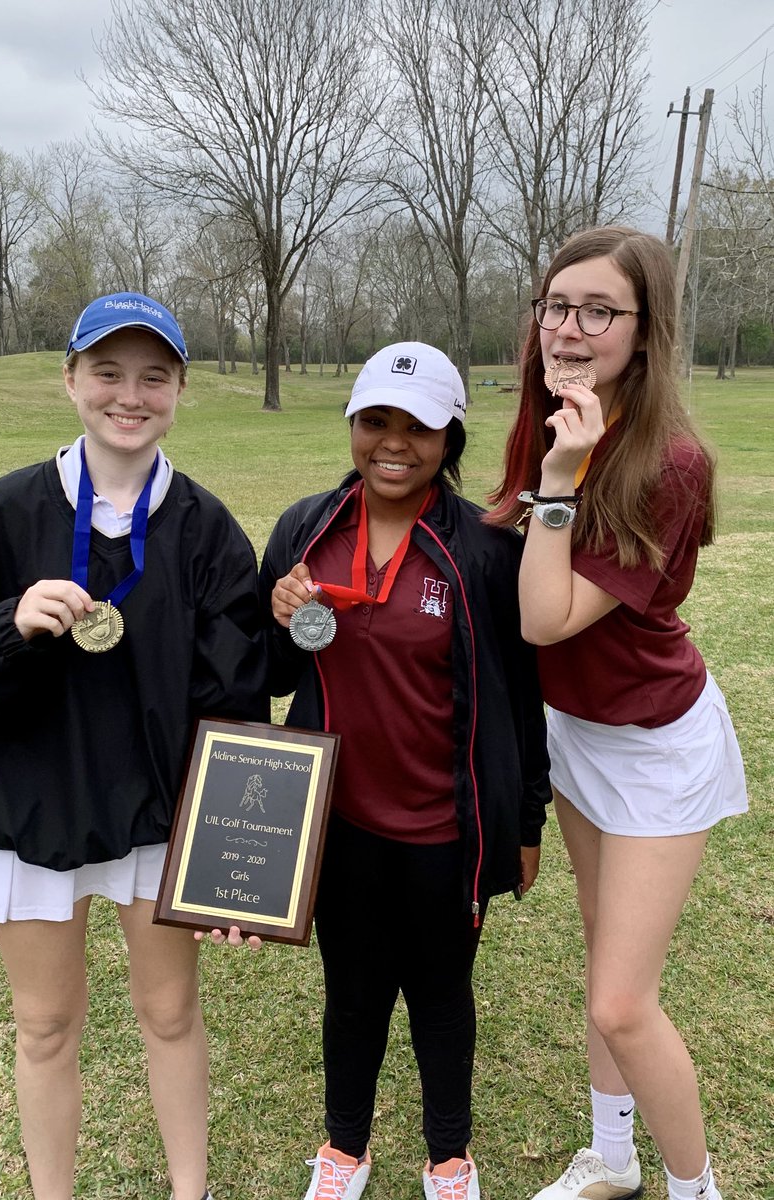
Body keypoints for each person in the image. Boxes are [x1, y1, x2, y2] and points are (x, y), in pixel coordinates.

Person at [0, 292, 268, 1200]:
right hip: (35, 807)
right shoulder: (6, 511)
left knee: (170, 1013)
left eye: (153, 377)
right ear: (69, 380)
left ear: (178, 391)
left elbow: (238, 697)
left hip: (155, 822)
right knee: (45, 1025)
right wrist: (3, 624)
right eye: (107, 373)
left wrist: (235, 862)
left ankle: (189, 1190)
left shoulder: (205, 530)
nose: (129, 396)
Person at [488, 227, 748, 1200]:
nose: (569, 327)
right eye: (556, 305)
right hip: (574, 736)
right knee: (604, 959)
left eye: (599, 311)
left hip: (655, 748)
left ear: (645, 331)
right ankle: (612, 1159)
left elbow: (545, 616)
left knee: (622, 1000)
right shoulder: (554, 416)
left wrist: (559, 482)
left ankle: (698, 1190)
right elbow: (498, 548)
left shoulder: (666, 459)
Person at [259, 342, 552, 1200]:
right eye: (375, 421)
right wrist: (278, 614)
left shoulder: (488, 550)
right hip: (341, 825)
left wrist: (525, 822)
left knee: (441, 999)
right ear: (352, 425)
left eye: (419, 427)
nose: (394, 442)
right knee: (351, 998)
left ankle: (449, 1157)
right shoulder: (306, 530)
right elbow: (270, 678)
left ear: (450, 437)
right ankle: (343, 1150)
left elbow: (520, 699)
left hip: (443, 833)